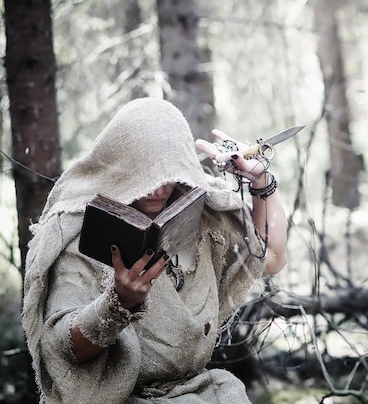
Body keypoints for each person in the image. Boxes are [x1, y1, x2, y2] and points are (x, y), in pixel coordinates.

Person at [22, 98, 288, 403]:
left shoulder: (206, 216)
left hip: (203, 393)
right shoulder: (83, 235)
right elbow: (62, 348)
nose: (159, 189)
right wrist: (117, 305)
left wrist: (261, 182)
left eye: (168, 176)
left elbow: (270, 258)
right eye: (147, 174)